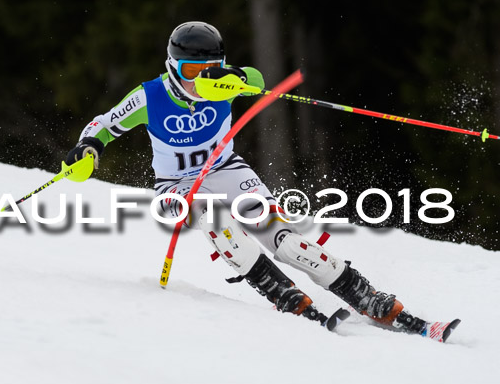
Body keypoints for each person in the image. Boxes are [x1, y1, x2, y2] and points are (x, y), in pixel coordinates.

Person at [66, 21, 459, 341]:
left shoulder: (223, 83)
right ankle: (283, 295)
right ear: (173, 66)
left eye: (208, 69)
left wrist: (234, 76)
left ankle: (368, 297)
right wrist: (87, 149)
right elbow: (104, 124)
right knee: (215, 218)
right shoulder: (150, 96)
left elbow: (253, 77)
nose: (198, 80)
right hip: (176, 186)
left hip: (228, 171)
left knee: (284, 238)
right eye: (190, 72)